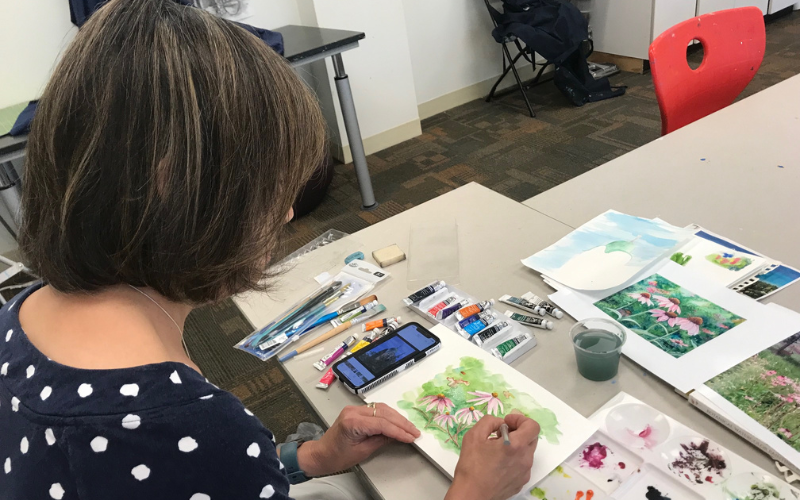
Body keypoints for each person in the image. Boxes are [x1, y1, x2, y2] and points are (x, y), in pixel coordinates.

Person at [0, 0, 541, 499]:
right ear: (181, 192)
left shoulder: (20, 314)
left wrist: (308, 456)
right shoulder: (192, 429)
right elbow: (191, 467)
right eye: (272, 190)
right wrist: (474, 491)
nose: (285, 215)